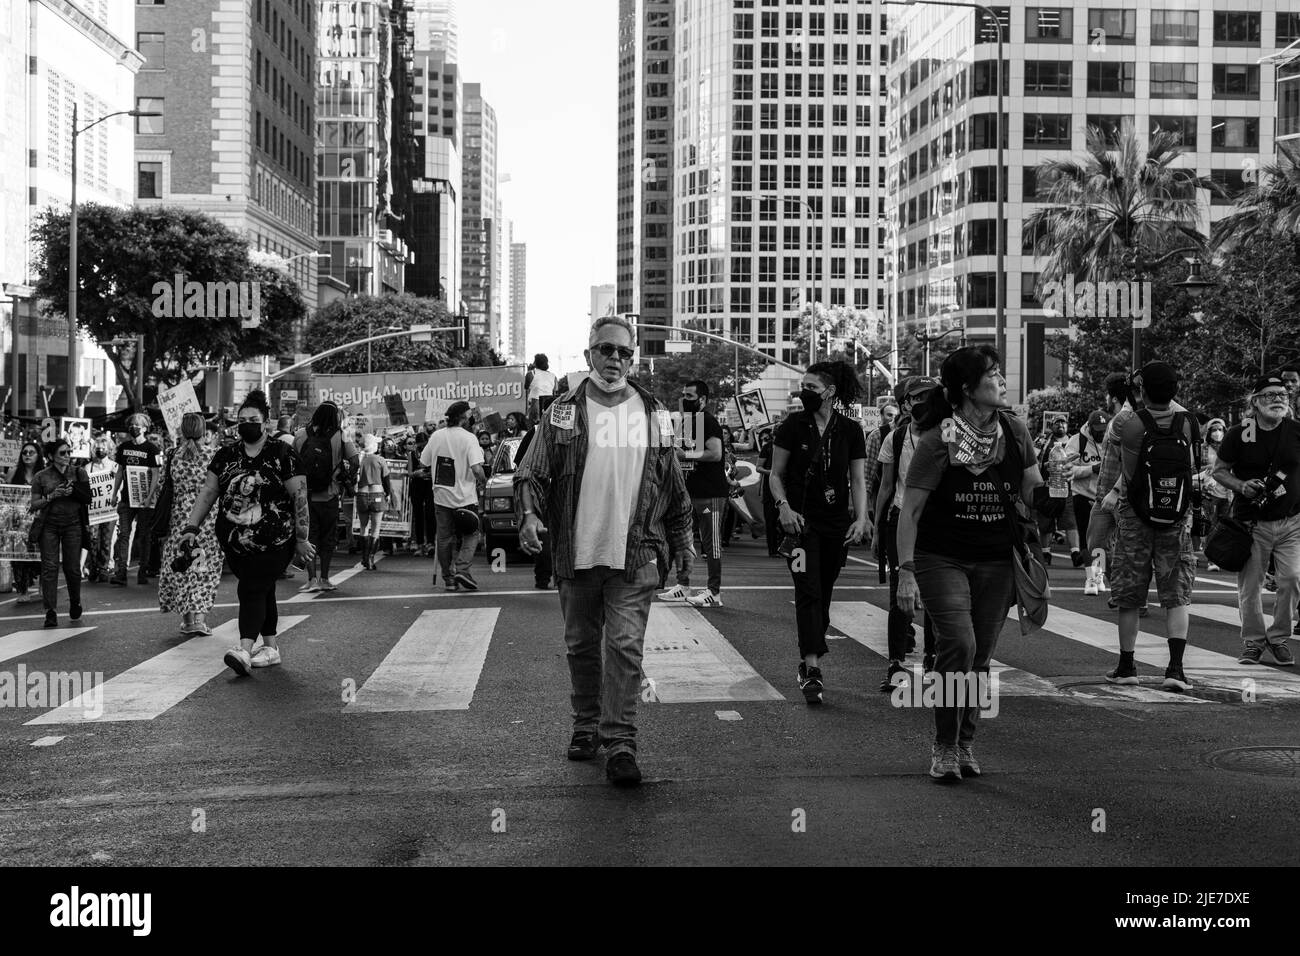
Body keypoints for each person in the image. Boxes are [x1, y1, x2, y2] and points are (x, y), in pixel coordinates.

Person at [514, 315, 693, 787]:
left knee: (625, 646)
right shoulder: (562, 411)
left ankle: (620, 743)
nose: (615, 360)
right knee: (580, 645)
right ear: (589, 352)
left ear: (634, 358)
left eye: (624, 353)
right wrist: (531, 516)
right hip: (577, 552)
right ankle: (586, 725)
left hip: (636, 553)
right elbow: (531, 472)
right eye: (606, 350)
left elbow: (673, 483)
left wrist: (683, 541)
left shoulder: (655, 412)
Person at [896, 346, 1041, 782]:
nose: (1001, 381)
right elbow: (911, 512)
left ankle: (965, 743)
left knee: (980, 659)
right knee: (959, 645)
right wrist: (906, 571)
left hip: (997, 560)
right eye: (992, 375)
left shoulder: (1015, 431)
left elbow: (1032, 489)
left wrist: (1054, 497)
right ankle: (943, 744)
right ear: (966, 389)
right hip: (942, 559)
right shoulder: (938, 440)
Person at [178, 389, 315, 676]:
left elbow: (299, 498)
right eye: (242, 420)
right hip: (234, 544)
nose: (247, 424)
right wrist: (191, 527)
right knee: (262, 589)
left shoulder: (282, 454)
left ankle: (244, 647)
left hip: (275, 541)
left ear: (266, 422)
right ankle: (271, 647)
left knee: (251, 586)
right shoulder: (225, 455)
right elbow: (208, 492)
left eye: (253, 419)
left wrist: (301, 539)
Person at [769, 361, 871, 705]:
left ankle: (811, 652)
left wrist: (861, 518)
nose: (805, 392)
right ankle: (812, 667)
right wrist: (783, 507)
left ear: (830, 392)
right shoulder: (791, 426)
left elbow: (857, 480)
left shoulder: (851, 430)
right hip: (799, 525)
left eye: (812, 387)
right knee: (808, 590)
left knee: (824, 591)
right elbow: (774, 474)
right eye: (804, 386)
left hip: (835, 527)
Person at [1096, 362, 1200, 691]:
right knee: (1176, 596)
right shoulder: (1189, 423)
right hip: (1176, 518)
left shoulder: (1127, 423)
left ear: (1141, 392)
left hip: (1134, 517)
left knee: (1129, 596)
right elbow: (1195, 462)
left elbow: (1111, 443)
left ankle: (1127, 666)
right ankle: (1176, 669)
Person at [1212, 377, 1298, 667]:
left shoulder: (1296, 430)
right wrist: (1241, 485)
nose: (1279, 399)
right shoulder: (1239, 433)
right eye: (1270, 395)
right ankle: (1253, 641)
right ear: (1256, 402)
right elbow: (1219, 471)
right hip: (1252, 522)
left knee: (1291, 579)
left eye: (1283, 394)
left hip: (1293, 520)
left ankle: (1279, 638)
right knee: (1250, 586)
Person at [874, 375, 941, 690]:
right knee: (899, 596)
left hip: (937, 521)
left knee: (934, 596)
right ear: (906, 403)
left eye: (930, 396)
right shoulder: (896, 438)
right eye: (917, 397)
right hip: (900, 519)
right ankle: (895, 664)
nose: (923, 402)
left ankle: (932, 658)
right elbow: (886, 487)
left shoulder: (948, 433)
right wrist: (875, 530)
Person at [656, 381, 729, 608]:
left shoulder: (708, 421)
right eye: (684, 394)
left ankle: (714, 592)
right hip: (689, 494)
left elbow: (715, 454)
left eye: (690, 395)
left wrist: (685, 455)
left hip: (710, 494)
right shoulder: (687, 422)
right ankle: (683, 585)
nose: (685, 399)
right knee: (682, 540)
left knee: (711, 543)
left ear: (703, 400)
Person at [155, 412, 221, 636]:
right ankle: (200, 620)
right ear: (204, 431)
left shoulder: (173, 456)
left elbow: (163, 488)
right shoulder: (214, 455)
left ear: (182, 431)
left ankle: (188, 621)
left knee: (183, 568)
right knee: (203, 570)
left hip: (179, 522)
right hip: (207, 520)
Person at [292, 401, 359, 592]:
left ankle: (311, 579)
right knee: (328, 538)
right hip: (330, 495)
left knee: (309, 537)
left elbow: (294, 463)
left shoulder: (300, 434)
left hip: (306, 497)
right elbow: (354, 461)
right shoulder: (340, 435)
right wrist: (343, 476)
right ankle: (325, 579)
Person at [421, 401, 486, 591]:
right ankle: (463, 569)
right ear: (463, 418)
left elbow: (424, 461)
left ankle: (448, 578)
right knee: (472, 533)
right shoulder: (469, 438)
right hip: (465, 497)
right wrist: (482, 479)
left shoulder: (436, 436)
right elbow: (476, 468)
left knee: (444, 538)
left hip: (441, 496)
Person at [30, 438, 92, 627]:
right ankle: (50, 611)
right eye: (62, 453)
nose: (67, 456)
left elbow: (88, 497)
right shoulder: (41, 476)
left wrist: (71, 490)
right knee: (49, 568)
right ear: (51, 456)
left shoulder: (79, 472)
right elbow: (34, 505)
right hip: (49, 526)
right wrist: (52, 496)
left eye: (68, 452)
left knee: (72, 568)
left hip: (73, 525)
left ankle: (75, 601)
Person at [110, 413, 161, 587]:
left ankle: (142, 570)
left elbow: (156, 474)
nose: (134, 427)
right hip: (126, 499)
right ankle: (121, 572)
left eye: (137, 425)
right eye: (132, 424)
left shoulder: (152, 449)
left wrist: (149, 496)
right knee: (124, 534)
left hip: (144, 499)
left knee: (144, 535)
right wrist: (114, 493)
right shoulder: (123, 447)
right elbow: (119, 472)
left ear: (145, 428)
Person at [1034, 416, 1082, 566]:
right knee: (1045, 521)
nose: (1060, 425)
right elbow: (1033, 458)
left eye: (1063, 422)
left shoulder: (1074, 441)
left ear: (1067, 426)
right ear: (1051, 426)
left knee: (1070, 520)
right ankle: (1045, 553)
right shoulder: (1042, 440)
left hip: (1067, 487)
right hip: (1047, 486)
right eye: (1057, 423)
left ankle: (1075, 553)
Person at [1071, 410, 1109, 593]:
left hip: (1104, 497)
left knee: (1101, 540)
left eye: (1104, 429)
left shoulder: (1112, 439)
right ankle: (1090, 578)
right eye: (1098, 430)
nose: (1101, 433)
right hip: (1083, 495)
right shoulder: (1077, 441)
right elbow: (1067, 469)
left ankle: (1098, 574)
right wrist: (1091, 469)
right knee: (1086, 539)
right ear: (1089, 427)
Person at [7, 442, 44, 603]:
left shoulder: (44, 473)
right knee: (19, 557)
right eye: (24, 452)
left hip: (39, 521)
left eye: (31, 452)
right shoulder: (13, 472)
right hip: (19, 523)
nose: (27, 455)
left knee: (42, 555)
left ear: (38, 456)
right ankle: (22, 590)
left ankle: (44, 588)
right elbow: (6, 496)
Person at [355, 434, 396, 570]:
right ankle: (371, 559)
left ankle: (364, 558)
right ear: (374, 445)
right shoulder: (380, 460)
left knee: (363, 527)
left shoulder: (359, 459)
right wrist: (388, 494)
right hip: (377, 494)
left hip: (362, 494)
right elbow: (386, 480)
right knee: (376, 528)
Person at [1197, 417, 1231, 570]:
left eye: (1220, 430)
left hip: (1227, 492)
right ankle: (1211, 559)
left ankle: (1219, 556)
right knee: (1210, 525)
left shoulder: (1229, 447)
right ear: (1209, 432)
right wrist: (1208, 467)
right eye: (1214, 430)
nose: (1217, 433)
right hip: (1209, 492)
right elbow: (1194, 468)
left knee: (1224, 526)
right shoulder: (1202, 448)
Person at [863, 400, 900, 511]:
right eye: (889, 415)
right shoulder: (877, 435)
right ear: (881, 415)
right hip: (883, 499)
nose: (892, 418)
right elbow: (867, 476)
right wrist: (863, 513)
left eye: (895, 415)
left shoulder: (907, 433)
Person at [755, 427, 779, 557]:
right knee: (771, 519)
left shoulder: (788, 447)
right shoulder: (767, 448)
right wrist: (771, 473)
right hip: (770, 488)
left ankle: (783, 547)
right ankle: (773, 549)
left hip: (786, 487)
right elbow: (758, 467)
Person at [409, 431, 433, 556]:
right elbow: (410, 472)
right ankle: (419, 543)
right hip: (417, 485)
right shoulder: (412, 454)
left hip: (429, 484)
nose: (423, 448)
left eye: (425, 445)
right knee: (418, 514)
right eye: (421, 445)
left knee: (430, 513)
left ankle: (430, 542)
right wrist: (417, 473)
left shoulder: (432, 452)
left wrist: (430, 473)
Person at [526, 353, 558, 423]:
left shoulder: (530, 374)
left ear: (535, 363)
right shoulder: (554, 376)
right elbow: (555, 392)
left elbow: (526, 388)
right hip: (549, 406)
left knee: (534, 429)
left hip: (535, 405)